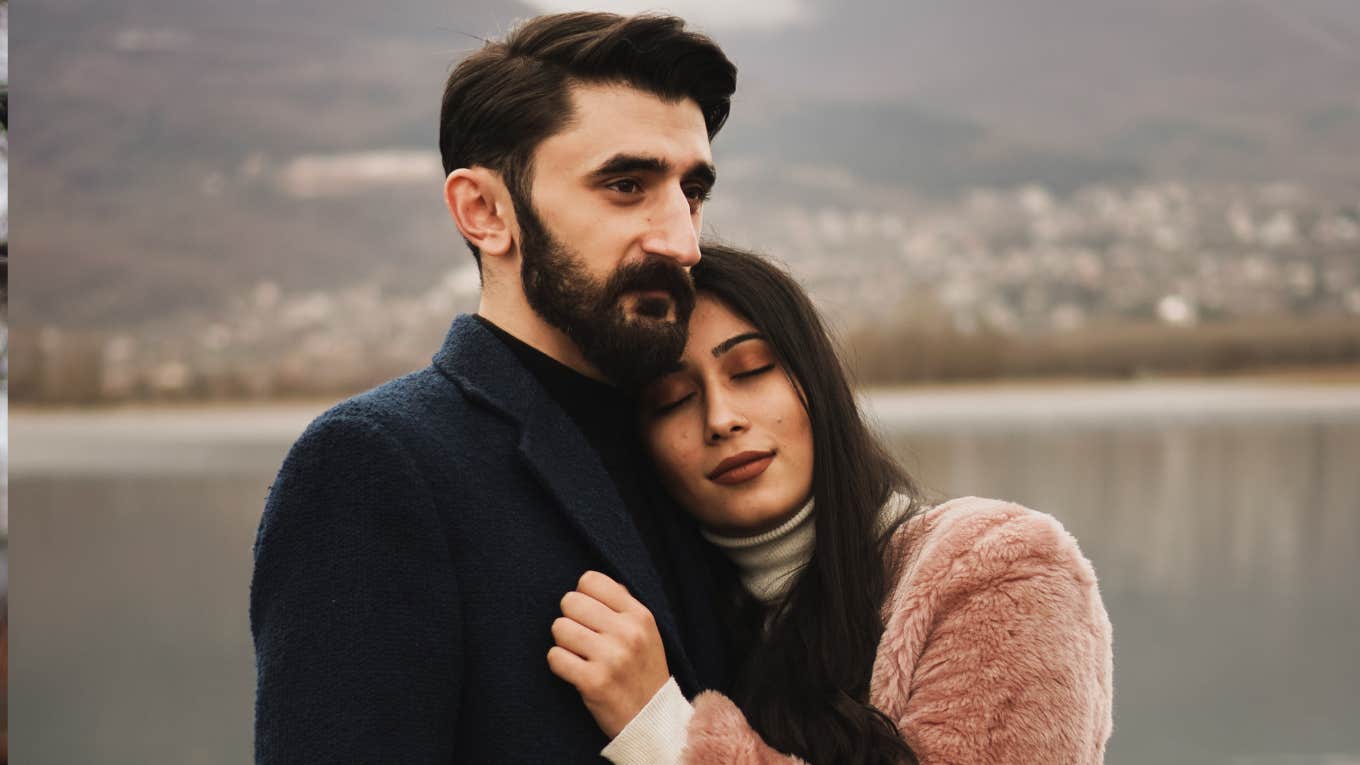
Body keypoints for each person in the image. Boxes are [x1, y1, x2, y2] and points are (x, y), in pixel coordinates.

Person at [249, 13, 738, 763]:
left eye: (692, 190)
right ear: (484, 211)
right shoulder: (375, 465)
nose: (682, 240)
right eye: (626, 185)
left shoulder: (702, 448)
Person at [549, 244, 1114, 764]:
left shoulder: (999, 569)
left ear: (816, 384)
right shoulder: (680, 621)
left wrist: (664, 736)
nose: (721, 419)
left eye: (751, 371)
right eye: (672, 400)